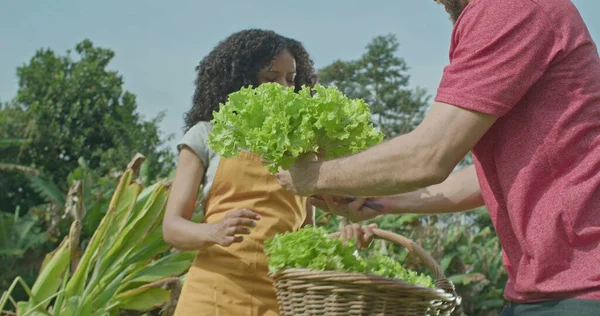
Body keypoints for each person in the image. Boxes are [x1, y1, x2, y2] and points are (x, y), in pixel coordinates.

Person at [276, 0, 600, 315]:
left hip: (579, 289)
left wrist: (311, 176)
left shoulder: (510, 8)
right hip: (543, 292)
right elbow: (486, 178)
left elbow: (429, 155)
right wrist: (382, 200)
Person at [163, 29, 374, 316]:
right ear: (241, 81)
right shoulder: (206, 135)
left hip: (282, 300)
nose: (286, 88)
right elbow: (172, 227)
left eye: (291, 79)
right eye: (271, 78)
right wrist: (214, 231)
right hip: (211, 296)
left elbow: (303, 232)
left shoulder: (304, 149)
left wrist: (340, 244)